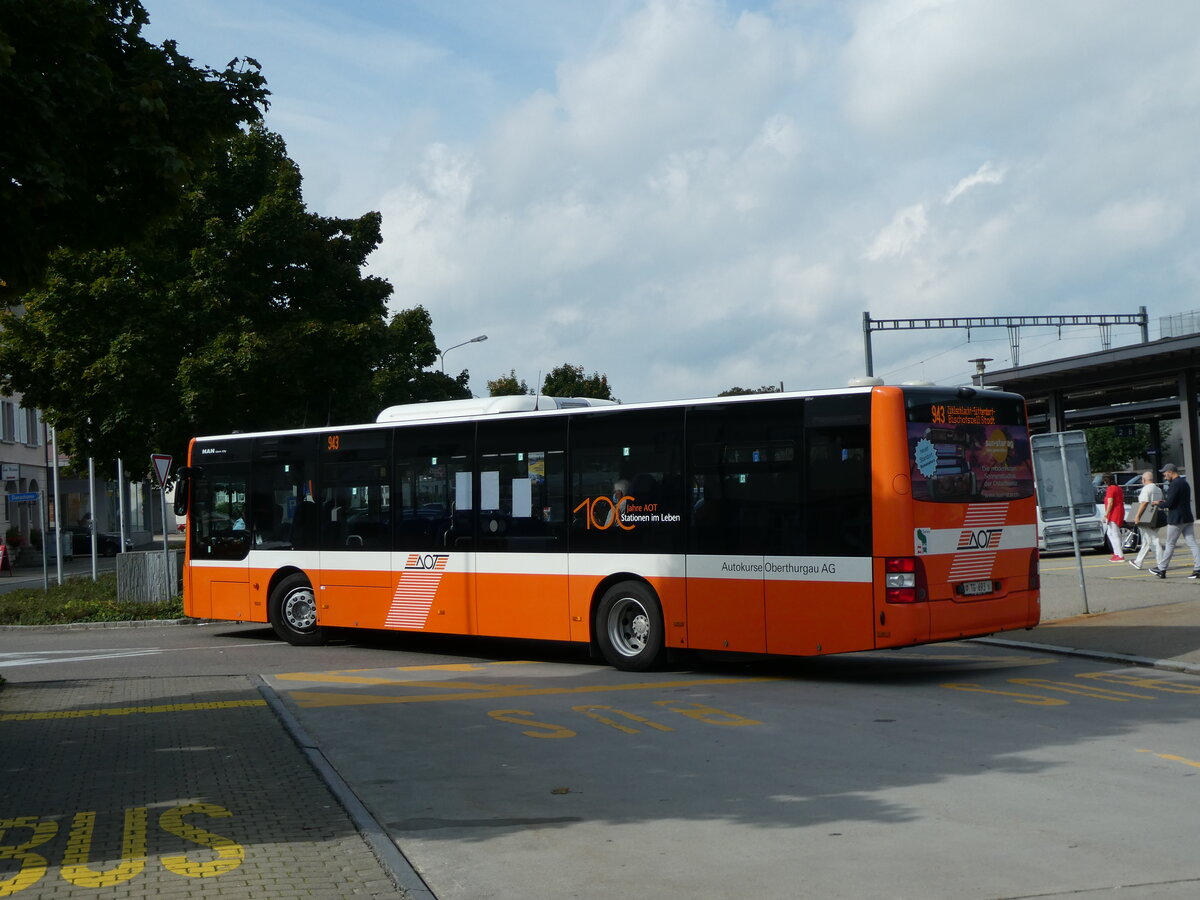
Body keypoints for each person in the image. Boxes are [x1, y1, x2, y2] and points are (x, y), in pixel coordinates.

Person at [1149, 463, 1200, 578]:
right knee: (1192, 543)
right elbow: (1178, 501)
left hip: (1176, 519)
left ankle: (1162, 569)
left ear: (1170, 472)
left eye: (1165, 473)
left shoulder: (1174, 484)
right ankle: (1198, 568)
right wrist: (1164, 502)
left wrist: (1159, 504)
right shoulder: (1184, 483)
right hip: (1187, 517)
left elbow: (1170, 503)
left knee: (1170, 544)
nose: (1164, 476)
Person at [1129, 470, 1164, 571]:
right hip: (1156, 517)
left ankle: (1161, 564)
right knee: (1146, 540)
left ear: (1143, 480)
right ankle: (1138, 562)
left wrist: (1137, 516)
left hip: (1146, 518)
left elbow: (1144, 503)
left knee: (1154, 540)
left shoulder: (1146, 489)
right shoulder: (1158, 489)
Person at [1100, 473, 1125, 562]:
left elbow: (1110, 503)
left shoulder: (1111, 489)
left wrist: (1106, 514)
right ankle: (1116, 552)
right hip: (1118, 511)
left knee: (1114, 534)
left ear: (1106, 480)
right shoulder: (1118, 488)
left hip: (1114, 513)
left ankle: (1119, 555)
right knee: (1110, 533)